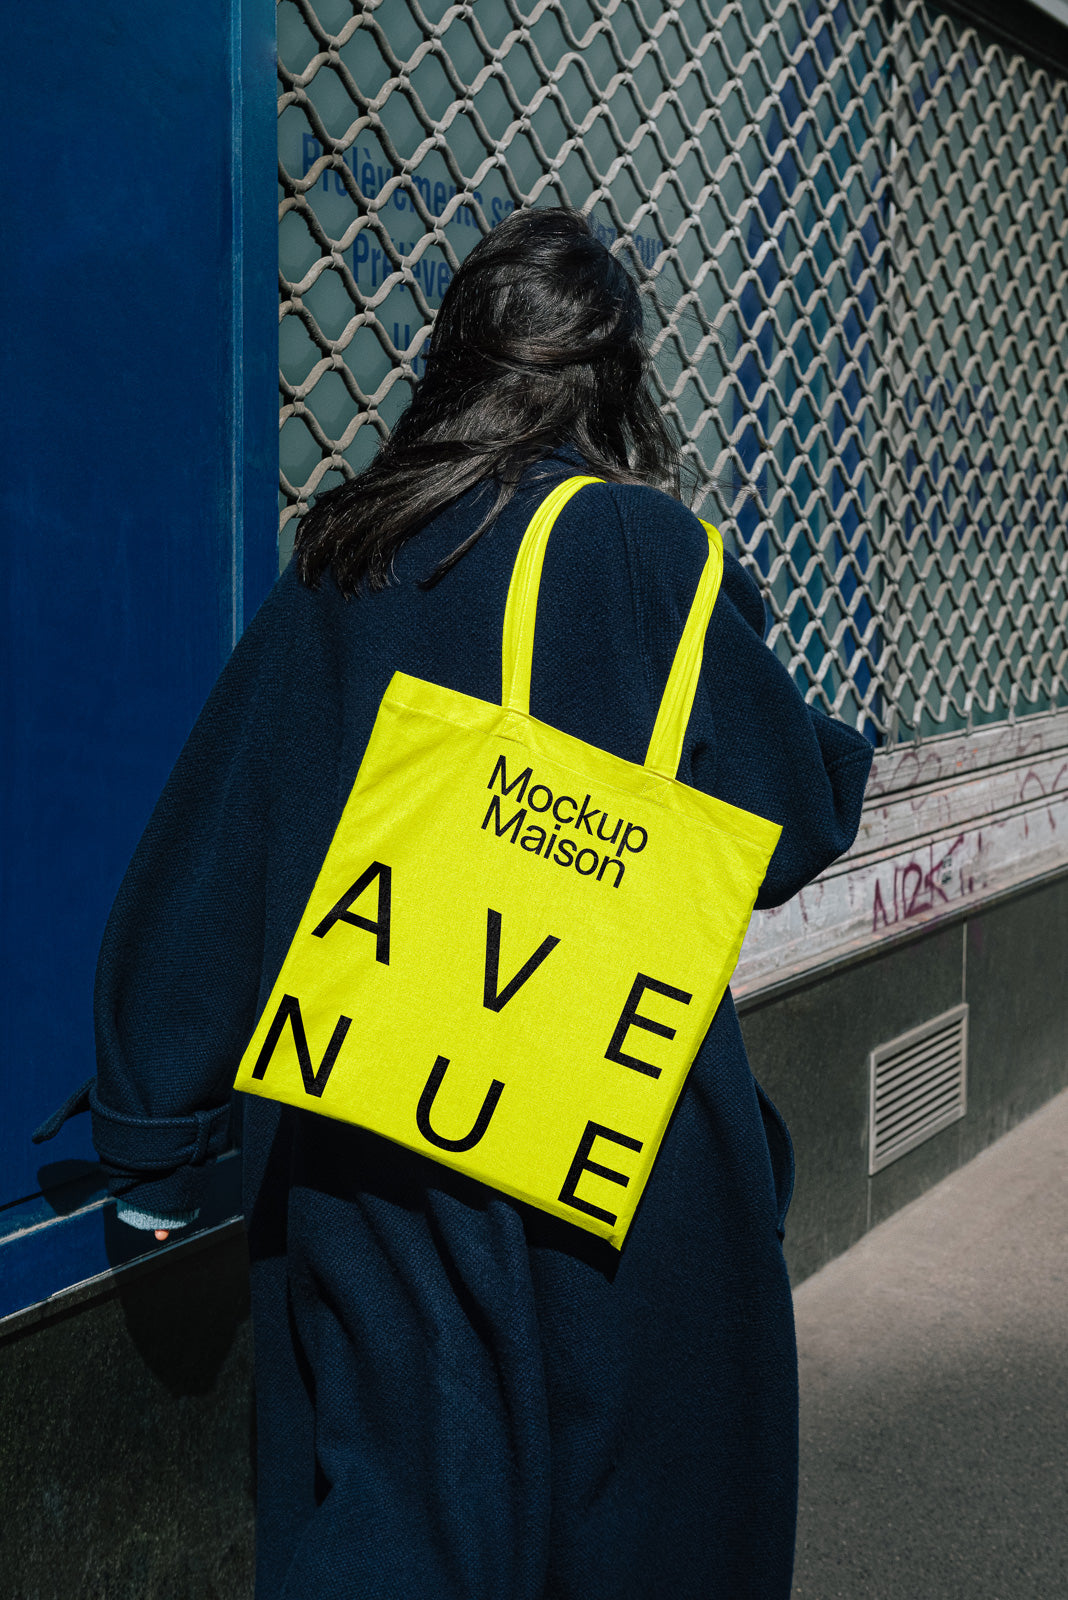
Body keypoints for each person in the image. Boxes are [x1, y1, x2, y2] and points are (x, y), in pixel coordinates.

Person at [40, 207, 872, 1597]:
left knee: (402, 1517)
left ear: (452, 362)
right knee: (642, 1532)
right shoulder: (649, 553)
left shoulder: (350, 559)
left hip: (387, 1154)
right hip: (622, 1163)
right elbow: (790, 820)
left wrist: (152, 1119)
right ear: (616, 379)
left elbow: (215, 846)